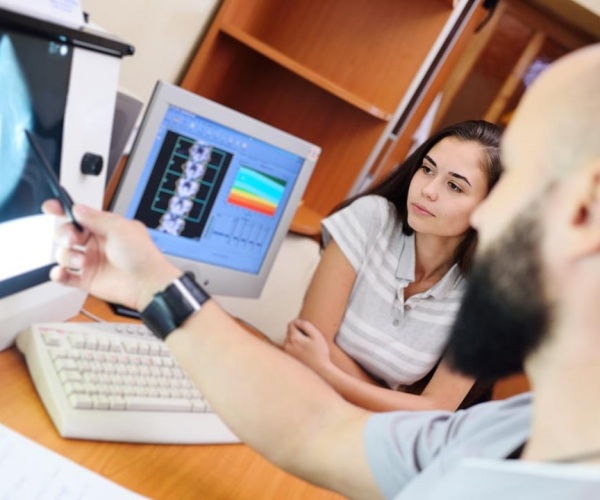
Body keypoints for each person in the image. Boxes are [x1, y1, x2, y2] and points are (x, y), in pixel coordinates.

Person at [44, 43, 600, 499]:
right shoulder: (508, 430)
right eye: (431, 173)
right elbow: (316, 429)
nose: (488, 215)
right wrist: (151, 282)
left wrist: (333, 373)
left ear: (583, 210)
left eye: (517, 183)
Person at [283, 120, 502, 412]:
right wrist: (395, 400)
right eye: (427, 169)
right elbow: (309, 341)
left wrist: (329, 371)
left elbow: (437, 409)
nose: (428, 190)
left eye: (454, 186)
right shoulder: (371, 217)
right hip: (302, 392)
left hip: (376, 435)